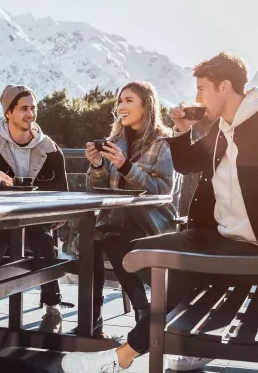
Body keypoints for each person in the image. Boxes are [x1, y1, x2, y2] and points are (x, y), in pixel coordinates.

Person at [62, 53, 258, 373]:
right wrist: (180, 129)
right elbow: (189, 163)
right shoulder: (223, 127)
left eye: (202, 89)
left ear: (225, 87)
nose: (197, 98)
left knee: (174, 270)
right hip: (221, 237)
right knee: (137, 252)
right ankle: (176, 340)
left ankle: (123, 356)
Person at [0, 85, 70, 332]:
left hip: (33, 221)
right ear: (8, 113)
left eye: (33, 108)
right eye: (24, 108)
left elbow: (62, 194)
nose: (31, 113)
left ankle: (53, 309)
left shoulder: (50, 149)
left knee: (44, 243)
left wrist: (57, 215)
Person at [83, 81, 178, 338]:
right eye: (120, 101)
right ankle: (92, 319)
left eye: (129, 101)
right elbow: (97, 189)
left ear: (146, 105)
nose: (121, 106)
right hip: (115, 221)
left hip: (151, 222)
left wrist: (127, 167)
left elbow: (162, 191)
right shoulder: (115, 142)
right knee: (90, 243)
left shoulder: (163, 143)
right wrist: (97, 165)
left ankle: (143, 309)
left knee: (116, 242)